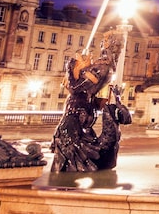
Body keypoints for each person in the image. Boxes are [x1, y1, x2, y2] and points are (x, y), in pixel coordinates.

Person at [50, 29, 131, 172]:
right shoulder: (106, 67)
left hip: (75, 112)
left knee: (69, 153)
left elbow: (76, 88)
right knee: (73, 151)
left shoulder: (100, 68)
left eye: (105, 41)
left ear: (108, 45)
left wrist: (71, 68)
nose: (101, 44)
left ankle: (66, 179)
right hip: (85, 111)